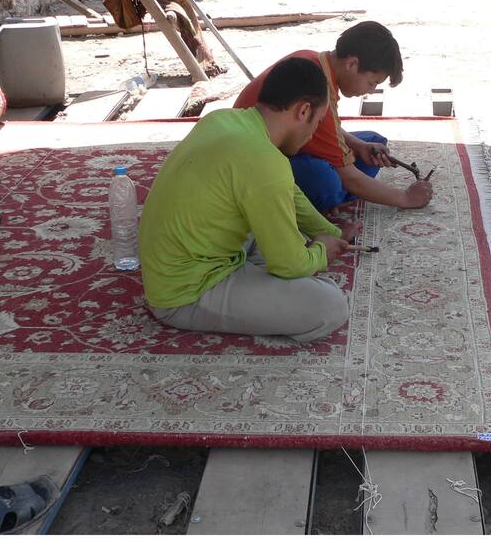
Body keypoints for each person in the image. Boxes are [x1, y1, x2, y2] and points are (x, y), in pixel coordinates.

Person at [139, 57, 359, 343]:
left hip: (176, 265)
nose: (312, 134)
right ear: (304, 110)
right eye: (317, 123)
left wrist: (331, 232)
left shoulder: (224, 119)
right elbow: (290, 266)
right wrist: (320, 252)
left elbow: (290, 195)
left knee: (270, 222)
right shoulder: (265, 161)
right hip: (185, 293)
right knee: (329, 305)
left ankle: (265, 270)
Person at [233, 21, 433, 213]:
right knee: (326, 181)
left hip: (280, 144)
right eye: (372, 83)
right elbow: (348, 174)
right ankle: (323, 199)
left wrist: (357, 145)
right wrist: (405, 198)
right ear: (352, 64)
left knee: (372, 143)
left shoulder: (314, 61)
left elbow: (326, 127)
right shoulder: (317, 87)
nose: (371, 91)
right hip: (251, 165)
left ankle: (335, 191)